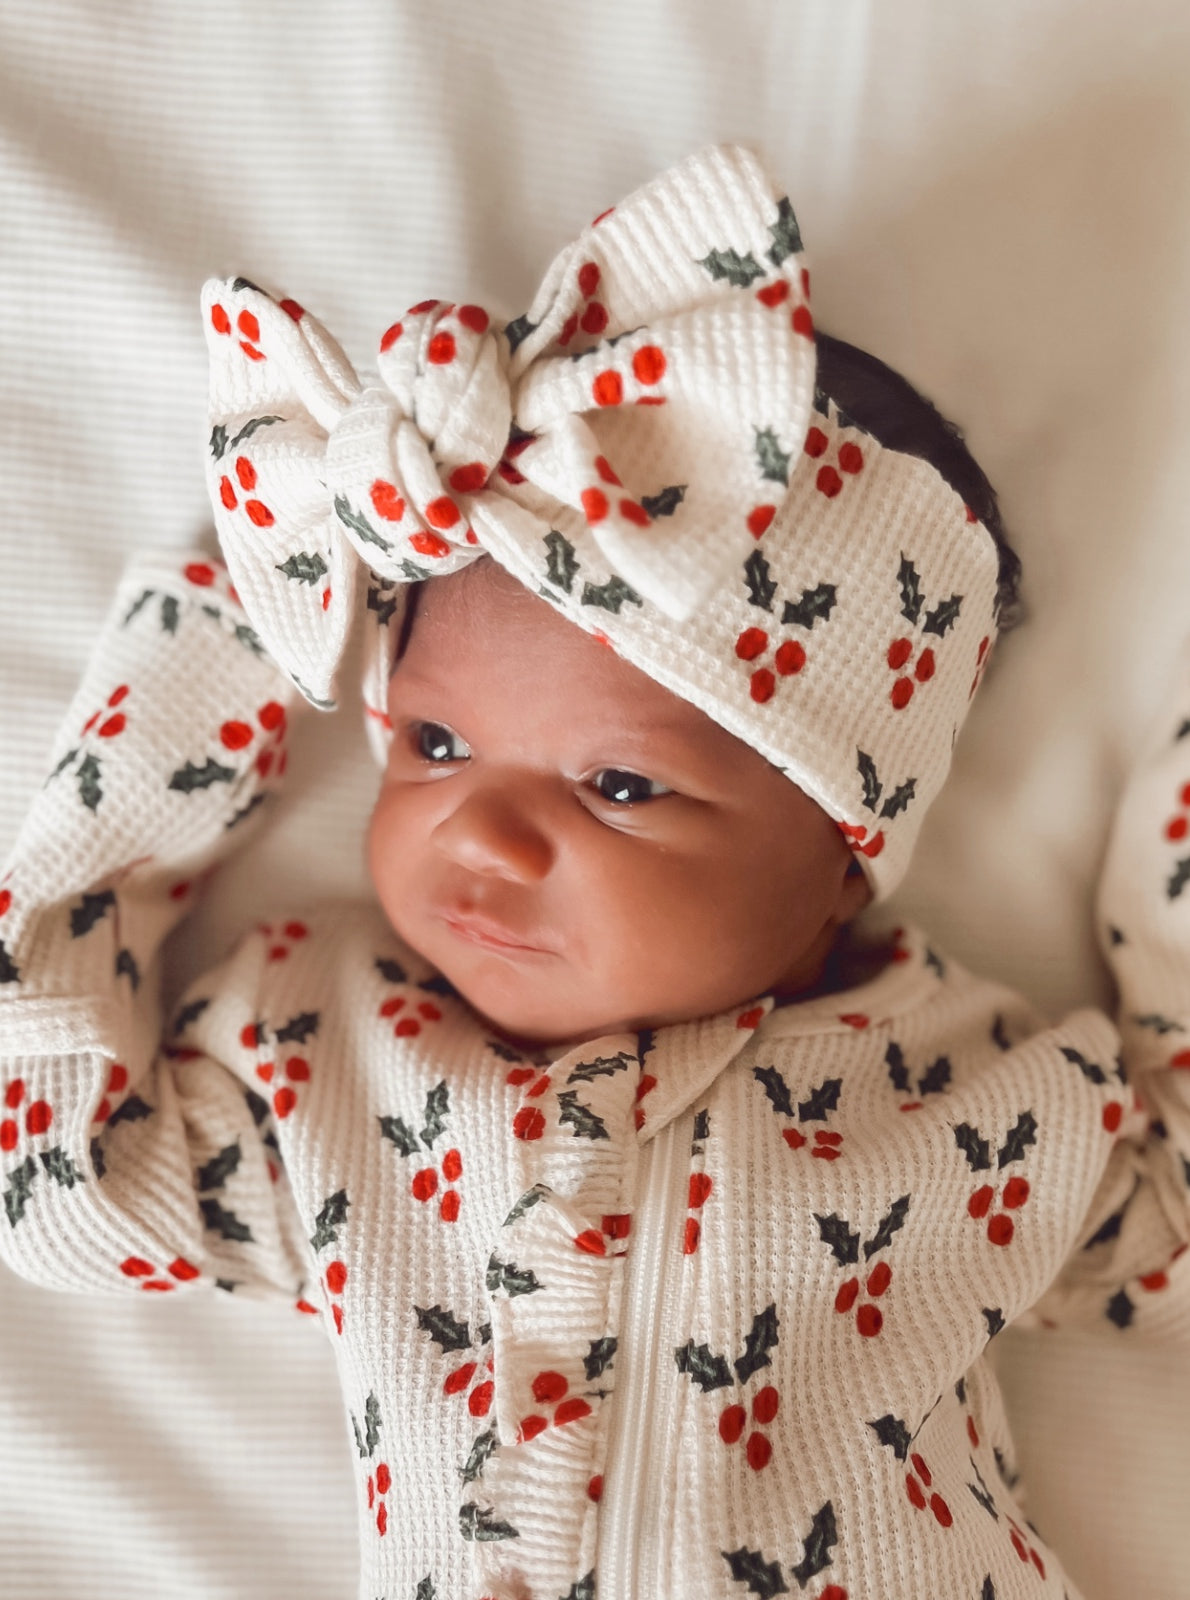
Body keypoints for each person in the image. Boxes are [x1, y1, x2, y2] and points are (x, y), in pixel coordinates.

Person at [0, 144, 1187, 1600]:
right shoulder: (322, 1065)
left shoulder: (969, 1104)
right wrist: (203, 687)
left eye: (619, 785)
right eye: (431, 742)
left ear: (841, 861)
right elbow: (63, 1192)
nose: (480, 834)